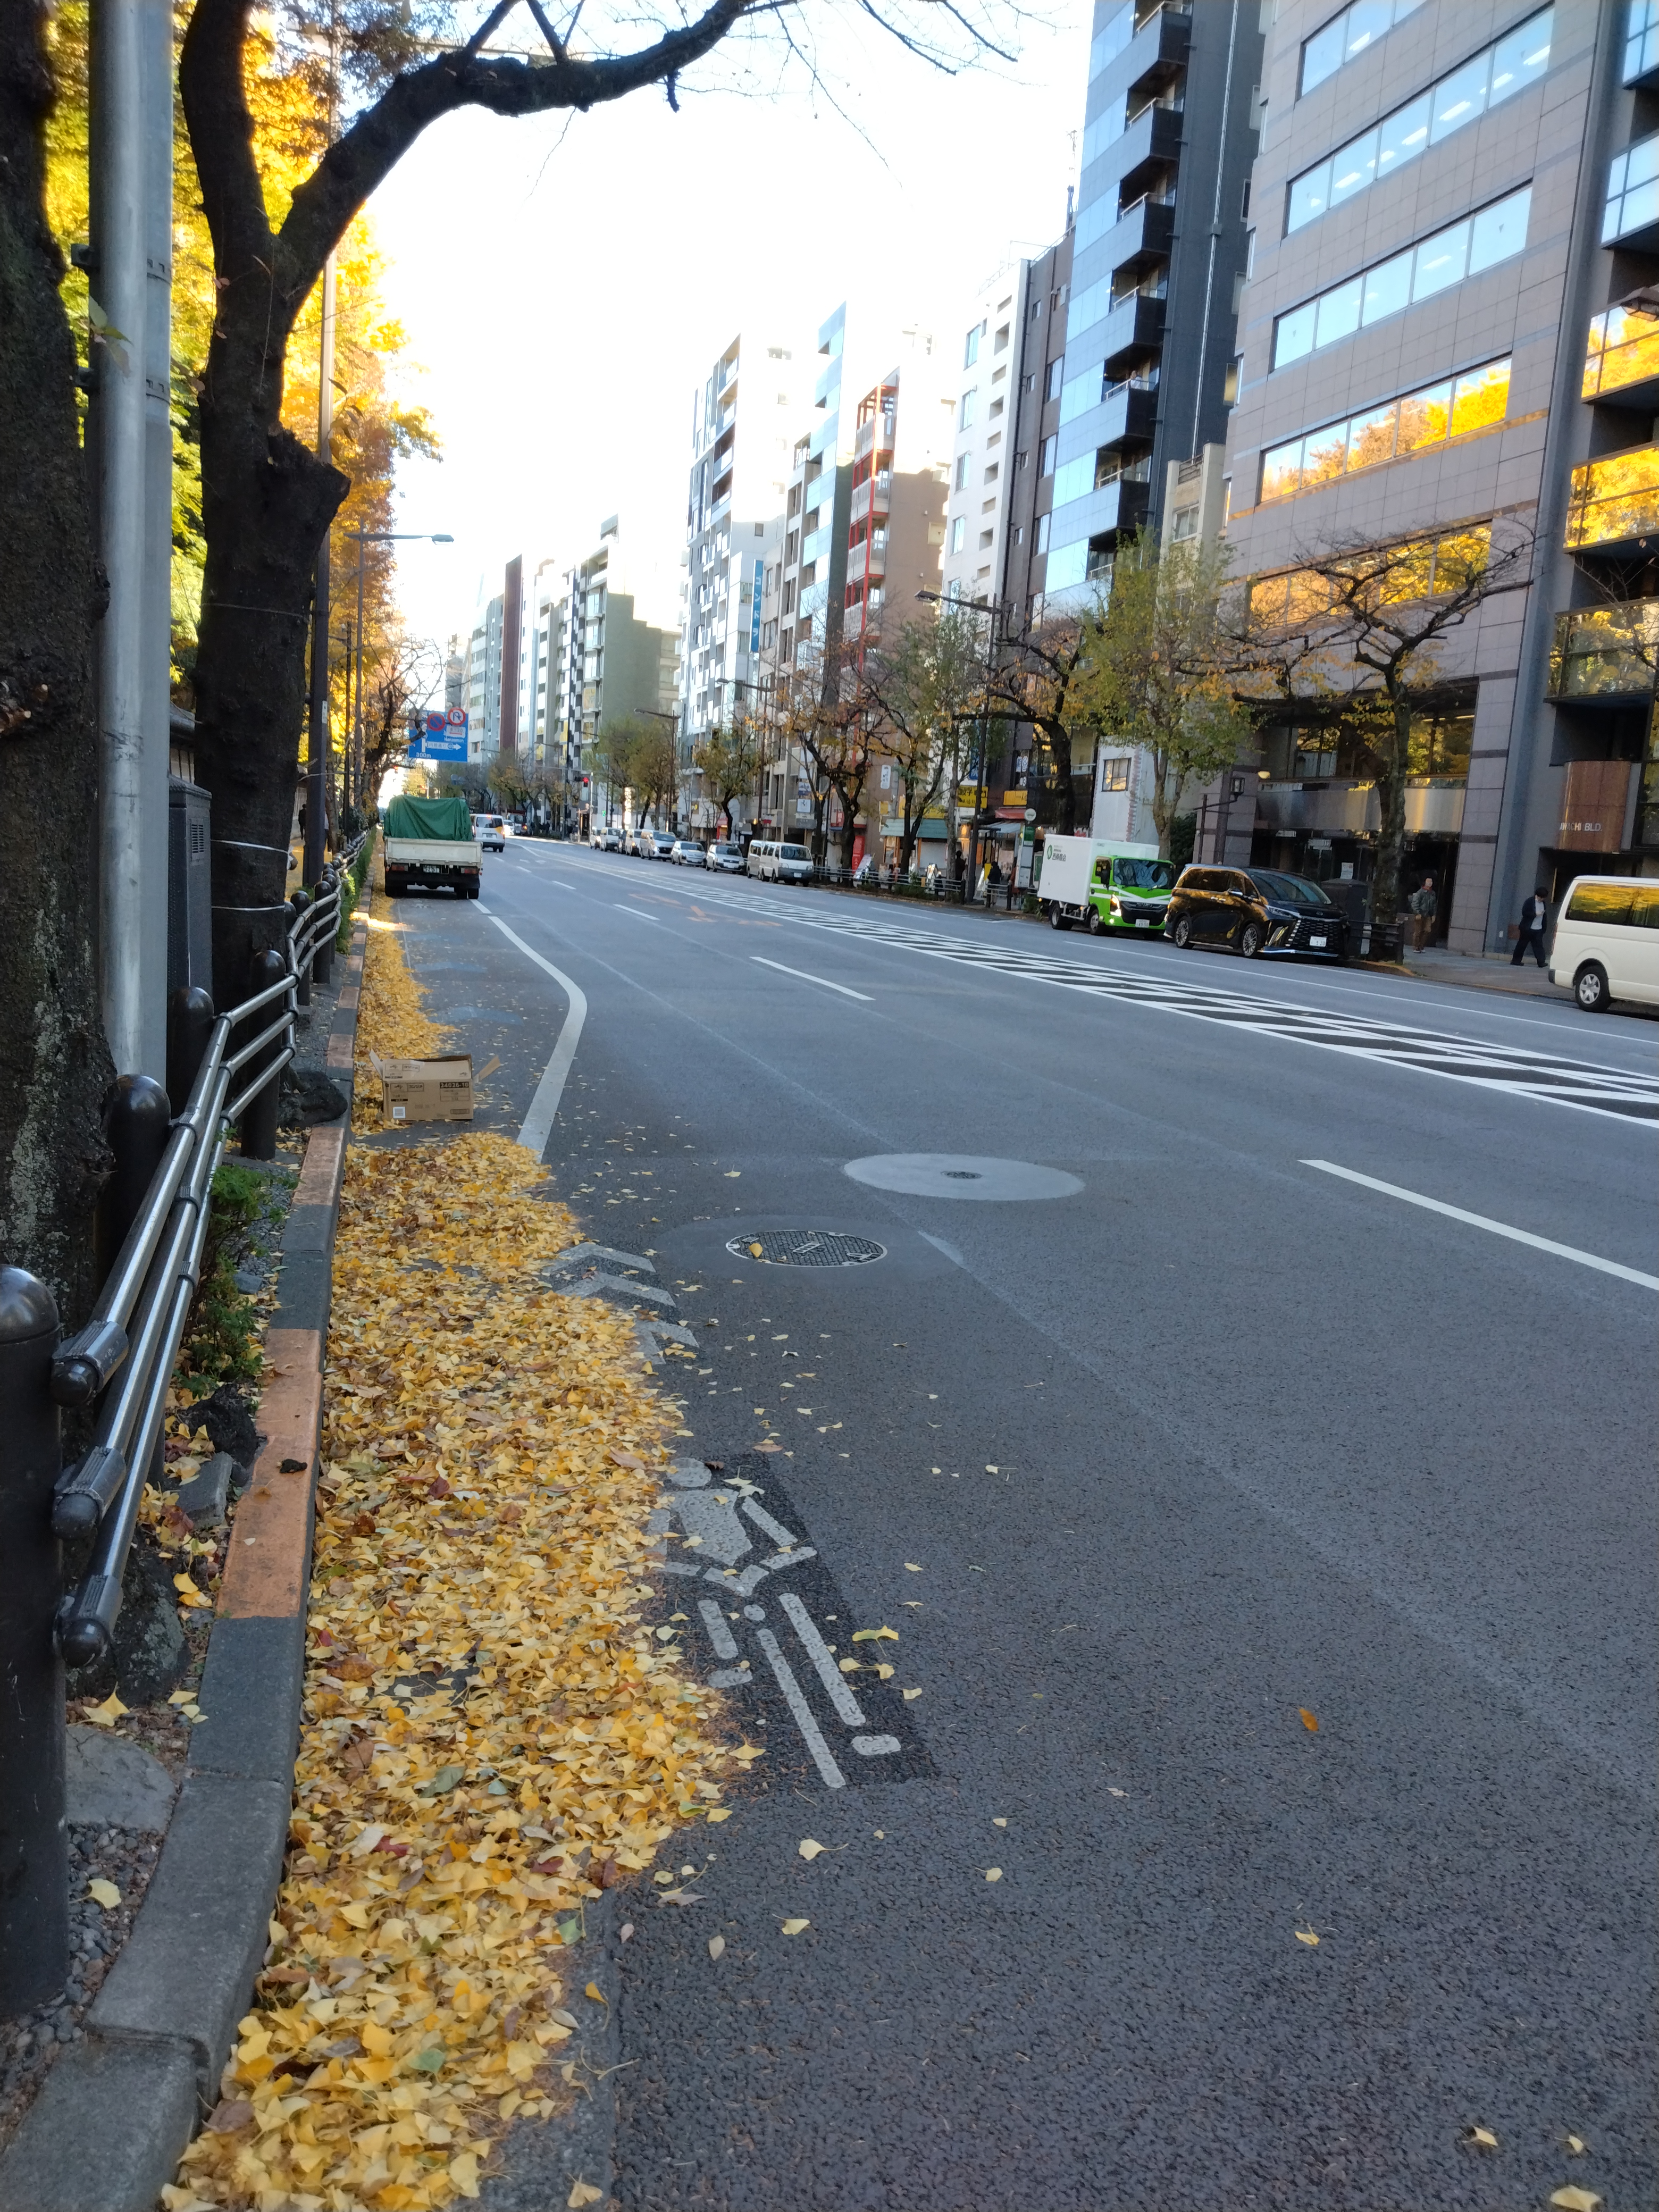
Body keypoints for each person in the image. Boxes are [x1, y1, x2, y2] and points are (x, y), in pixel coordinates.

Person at [1512, 885, 1550, 967]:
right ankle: (1516, 960)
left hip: (1538, 928)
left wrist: (1544, 927)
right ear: (1537, 896)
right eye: (1541, 898)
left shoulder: (1543, 904)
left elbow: (1544, 916)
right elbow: (1524, 913)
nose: (1542, 899)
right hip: (1527, 928)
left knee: (1539, 946)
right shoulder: (1530, 902)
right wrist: (1535, 914)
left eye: (1543, 898)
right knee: (1522, 945)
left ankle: (1541, 962)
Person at [1408, 874, 1437, 950]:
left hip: (1428, 915)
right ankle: (1416, 947)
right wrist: (1417, 913)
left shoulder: (1433, 893)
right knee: (1418, 931)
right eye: (1428, 882)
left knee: (1428, 930)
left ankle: (1421, 946)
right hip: (1420, 914)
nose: (1430, 883)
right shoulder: (1420, 893)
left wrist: (1434, 915)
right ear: (1425, 883)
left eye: (1431, 882)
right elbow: (1415, 903)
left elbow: (1434, 905)